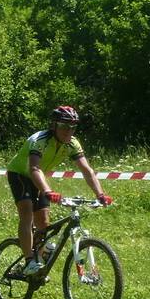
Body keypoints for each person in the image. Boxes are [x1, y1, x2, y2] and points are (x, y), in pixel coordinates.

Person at [6, 106, 112, 275]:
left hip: (39, 178)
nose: (68, 131)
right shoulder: (40, 140)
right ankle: (29, 261)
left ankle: (38, 259)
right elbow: (34, 168)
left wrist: (100, 194)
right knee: (27, 214)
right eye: (64, 126)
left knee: (44, 224)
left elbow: (86, 170)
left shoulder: (72, 143)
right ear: (54, 125)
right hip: (20, 174)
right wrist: (48, 191)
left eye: (72, 127)